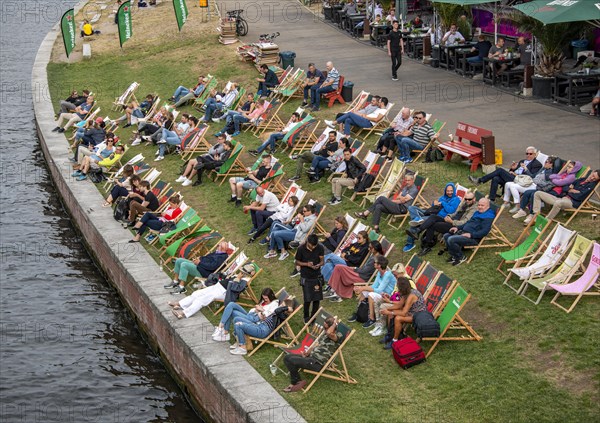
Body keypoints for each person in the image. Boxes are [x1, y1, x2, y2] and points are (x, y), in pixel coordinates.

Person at [282, 316, 343, 393]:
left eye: (326, 327)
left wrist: (334, 324)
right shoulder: (325, 333)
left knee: (291, 360)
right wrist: (307, 353)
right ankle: (298, 380)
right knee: (287, 357)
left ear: (332, 327)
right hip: (310, 358)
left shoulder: (338, 336)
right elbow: (316, 344)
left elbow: (329, 333)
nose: (324, 329)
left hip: (317, 363)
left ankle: (295, 382)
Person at [170, 269, 252, 319]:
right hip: (217, 287)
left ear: (246, 273)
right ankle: (179, 304)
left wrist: (237, 278)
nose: (240, 272)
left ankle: (183, 313)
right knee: (197, 293)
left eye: (242, 272)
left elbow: (235, 288)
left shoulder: (245, 280)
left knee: (201, 300)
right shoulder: (238, 276)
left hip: (223, 292)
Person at [512, 159, 578, 221]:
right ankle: (521, 210)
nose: (567, 168)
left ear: (575, 169)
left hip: (556, 193)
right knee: (527, 192)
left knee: (534, 194)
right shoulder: (564, 174)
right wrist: (558, 178)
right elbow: (551, 177)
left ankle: (532, 214)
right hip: (549, 189)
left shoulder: (571, 177)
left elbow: (559, 182)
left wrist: (557, 179)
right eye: (567, 167)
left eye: (570, 167)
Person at [469, 146, 542, 202]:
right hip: (513, 177)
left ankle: (480, 180)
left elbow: (531, 177)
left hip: (520, 181)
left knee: (500, 170)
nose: (528, 155)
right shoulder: (522, 161)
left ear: (535, 155)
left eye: (530, 154)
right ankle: (492, 198)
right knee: (496, 178)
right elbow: (514, 171)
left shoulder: (537, 164)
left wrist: (524, 170)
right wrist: (512, 169)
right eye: (527, 153)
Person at [403, 182, 461, 253]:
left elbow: (451, 210)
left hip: (439, 217)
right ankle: (417, 219)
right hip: (431, 213)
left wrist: (443, 203)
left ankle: (410, 243)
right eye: (448, 191)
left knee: (414, 225)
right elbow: (434, 206)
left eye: (451, 191)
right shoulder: (443, 197)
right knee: (411, 208)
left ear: (454, 191)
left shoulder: (456, 200)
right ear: (445, 191)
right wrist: (434, 202)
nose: (449, 192)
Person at [418, 191, 477, 257]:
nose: (467, 201)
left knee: (434, 225)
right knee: (433, 217)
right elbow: (455, 213)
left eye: (469, 199)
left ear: (474, 199)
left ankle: (427, 246)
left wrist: (452, 221)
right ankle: (418, 231)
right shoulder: (464, 204)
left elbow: (465, 222)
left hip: (456, 226)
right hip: (451, 220)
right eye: (465, 199)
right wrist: (449, 216)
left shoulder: (474, 209)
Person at [229, 297, 295, 355]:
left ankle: (242, 348)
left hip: (262, 331)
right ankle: (238, 341)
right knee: (237, 319)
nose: (280, 306)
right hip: (260, 325)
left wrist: (286, 308)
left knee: (239, 325)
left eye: (282, 305)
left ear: (286, 309)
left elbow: (277, 310)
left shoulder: (282, 315)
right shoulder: (280, 313)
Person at [354, 174, 418, 233]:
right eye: (406, 180)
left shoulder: (414, 190)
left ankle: (365, 213)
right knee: (378, 206)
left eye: (409, 180)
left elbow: (403, 201)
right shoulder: (406, 187)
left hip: (402, 208)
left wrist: (394, 200)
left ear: (412, 180)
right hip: (396, 205)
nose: (407, 182)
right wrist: (400, 198)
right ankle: (376, 228)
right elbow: (399, 198)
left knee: (381, 198)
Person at [211, 287, 280, 342]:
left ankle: (224, 331)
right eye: (263, 298)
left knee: (232, 311)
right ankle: (221, 328)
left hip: (254, 319)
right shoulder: (263, 301)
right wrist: (255, 309)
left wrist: (261, 310)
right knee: (231, 304)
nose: (264, 300)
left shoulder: (275, 303)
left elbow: (268, 314)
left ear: (271, 296)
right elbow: (254, 310)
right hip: (251, 314)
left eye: (266, 298)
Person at [531, 169, 599, 222]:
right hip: (562, 198)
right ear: (592, 172)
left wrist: (570, 190)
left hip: (572, 203)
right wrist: (571, 190)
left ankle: (546, 221)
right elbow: (565, 187)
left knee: (558, 203)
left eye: (595, 179)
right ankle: (535, 216)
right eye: (593, 175)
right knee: (538, 193)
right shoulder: (582, 179)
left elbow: (579, 196)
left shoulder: (591, 185)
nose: (592, 178)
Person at [443, 197, 495, 265]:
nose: (479, 207)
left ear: (488, 206)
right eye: (479, 205)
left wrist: (471, 235)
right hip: (463, 232)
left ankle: (461, 257)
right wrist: (458, 228)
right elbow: (468, 223)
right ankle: (454, 255)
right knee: (446, 236)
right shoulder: (477, 212)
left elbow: (485, 231)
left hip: (473, 238)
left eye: (482, 205)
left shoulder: (488, 216)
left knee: (451, 239)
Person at [165, 241, 231, 294]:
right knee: (179, 260)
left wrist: (199, 262)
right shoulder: (217, 253)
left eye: (218, 245)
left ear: (222, 248)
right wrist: (199, 259)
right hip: (200, 266)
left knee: (184, 265)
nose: (217, 246)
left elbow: (212, 267)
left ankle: (181, 287)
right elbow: (206, 258)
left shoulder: (222, 257)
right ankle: (175, 281)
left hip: (204, 272)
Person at [380, 277, 426, 349]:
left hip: (417, 315)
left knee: (398, 318)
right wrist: (387, 309)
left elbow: (404, 313)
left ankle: (394, 340)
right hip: (410, 312)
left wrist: (390, 312)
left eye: (398, 285)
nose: (397, 286)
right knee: (390, 314)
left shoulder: (411, 295)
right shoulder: (405, 292)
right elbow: (399, 305)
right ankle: (390, 335)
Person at [349, 256, 396, 324]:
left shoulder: (388, 275)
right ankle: (358, 312)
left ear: (379, 265)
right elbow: (374, 286)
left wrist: (363, 288)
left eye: (375, 262)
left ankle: (372, 318)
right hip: (382, 292)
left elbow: (379, 290)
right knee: (364, 292)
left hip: (388, 295)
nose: (373, 263)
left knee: (371, 295)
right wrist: (362, 288)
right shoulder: (379, 272)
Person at [295, 234, 325, 323]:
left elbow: (322, 261)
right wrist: (307, 264)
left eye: (315, 245)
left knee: (317, 299)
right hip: (306, 276)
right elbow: (297, 262)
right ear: (308, 242)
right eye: (312, 245)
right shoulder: (301, 249)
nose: (313, 247)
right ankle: (306, 316)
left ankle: (313, 317)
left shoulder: (320, 248)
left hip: (316, 276)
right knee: (307, 299)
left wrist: (319, 264)